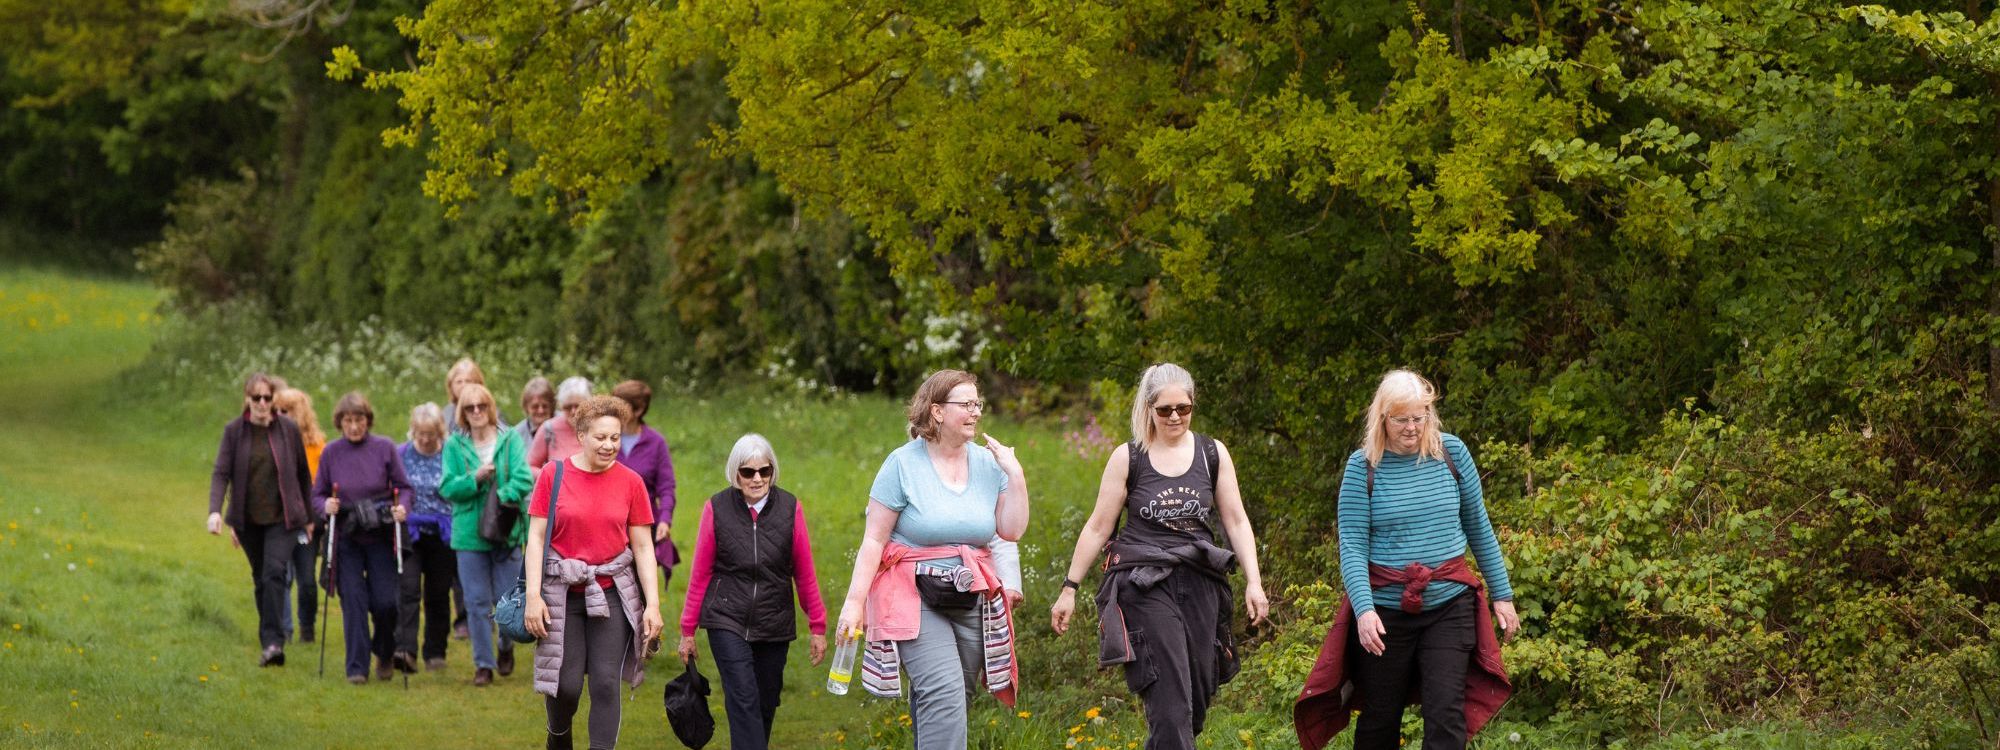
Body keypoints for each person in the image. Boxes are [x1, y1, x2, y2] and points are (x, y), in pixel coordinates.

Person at [1295, 369, 1521, 750]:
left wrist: (1503, 594)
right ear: (1383, 418)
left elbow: (1479, 526)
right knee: (1381, 717)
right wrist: (1364, 612)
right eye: (1402, 419)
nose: (1413, 427)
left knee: (1447, 714)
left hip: (1449, 605)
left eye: (1421, 417)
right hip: (1385, 613)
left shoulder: (1453, 454)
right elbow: (1352, 545)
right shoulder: (1361, 467)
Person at [1048, 363, 1270, 750]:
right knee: (1170, 705)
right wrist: (1070, 587)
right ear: (1149, 408)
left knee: (1195, 702)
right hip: (1144, 583)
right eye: (1165, 409)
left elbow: (1235, 519)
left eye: (1183, 408)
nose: (1174, 417)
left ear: (1192, 406)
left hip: (1201, 583)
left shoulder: (1211, 453)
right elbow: (1099, 527)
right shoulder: (1129, 457)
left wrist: (1254, 581)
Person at [834, 370, 1030, 750]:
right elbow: (874, 539)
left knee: (955, 695)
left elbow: (1011, 530)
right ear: (937, 411)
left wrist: (1016, 474)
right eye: (966, 404)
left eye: (978, 404)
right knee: (943, 694)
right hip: (912, 596)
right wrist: (854, 604)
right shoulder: (902, 464)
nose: (975, 412)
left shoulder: (990, 465)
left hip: (971, 594)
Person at [525, 395, 664, 750]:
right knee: (566, 684)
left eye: (615, 437)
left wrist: (653, 605)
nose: (609, 445)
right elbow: (537, 538)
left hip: (611, 593)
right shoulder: (553, 475)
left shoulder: (631, 483)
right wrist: (533, 596)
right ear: (581, 435)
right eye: (601, 437)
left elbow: (644, 546)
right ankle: (558, 735)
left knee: (605, 684)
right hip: (562, 592)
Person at [676, 434, 828, 750]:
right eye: (748, 472)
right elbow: (700, 574)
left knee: (765, 701)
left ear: (773, 471)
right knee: (742, 697)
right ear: (736, 473)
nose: (757, 479)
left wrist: (818, 626)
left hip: (775, 618)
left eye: (764, 471)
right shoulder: (716, 508)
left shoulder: (790, 507)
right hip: (726, 617)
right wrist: (687, 630)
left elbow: (805, 572)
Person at [207, 373, 314, 667]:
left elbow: (303, 474)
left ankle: (273, 643)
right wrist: (215, 511)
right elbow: (221, 473)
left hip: (283, 518)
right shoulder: (234, 432)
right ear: (247, 400)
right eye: (257, 398)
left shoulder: (287, 430)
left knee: (274, 572)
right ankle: (270, 636)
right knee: (261, 579)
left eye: (268, 398)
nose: (263, 404)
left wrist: (309, 516)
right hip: (249, 519)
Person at [312, 391, 413, 685]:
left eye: (359, 420)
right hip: (346, 536)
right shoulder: (331, 452)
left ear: (368, 421)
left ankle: (384, 651)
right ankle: (356, 667)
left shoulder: (384, 448)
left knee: (385, 602)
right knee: (353, 599)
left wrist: (401, 508)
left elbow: (404, 487)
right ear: (339, 422)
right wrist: (325, 506)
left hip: (380, 534)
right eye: (348, 420)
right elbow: (317, 494)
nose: (354, 426)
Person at [440, 383, 536, 685]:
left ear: (490, 407)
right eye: (470, 408)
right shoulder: (454, 445)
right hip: (469, 534)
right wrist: (475, 479)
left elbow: (524, 478)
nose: (477, 412)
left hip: (506, 530)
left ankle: (505, 646)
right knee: (477, 601)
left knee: (507, 600)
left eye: (482, 405)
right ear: (462, 413)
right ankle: (483, 664)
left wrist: (501, 494)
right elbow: (447, 488)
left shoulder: (509, 440)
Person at [396, 403, 458, 672]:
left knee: (437, 592)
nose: (424, 439)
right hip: (411, 532)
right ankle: (405, 649)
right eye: (420, 433)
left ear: (439, 432)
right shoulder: (401, 453)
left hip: (443, 534)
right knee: (408, 590)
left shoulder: (450, 454)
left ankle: (435, 651)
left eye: (430, 434)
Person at [611, 380, 679, 585]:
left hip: (643, 524)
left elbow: (666, 486)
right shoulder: (607, 439)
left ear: (638, 410)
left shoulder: (656, 442)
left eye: (620, 406)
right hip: (610, 523)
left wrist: (665, 520)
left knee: (640, 588)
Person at [274, 387, 326, 643]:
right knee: (280, 575)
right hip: (280, 522)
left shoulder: (317, 447)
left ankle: (308, 626)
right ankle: (284, 628)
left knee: (306, 580)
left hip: (308, 523)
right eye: (279, 410)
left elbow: (320, 487)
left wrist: (313, 521)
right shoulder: (271, 441)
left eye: (287, 410)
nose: (282, 415)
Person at [527, 376, 592, 469]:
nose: (573, 411)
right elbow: (530, 466)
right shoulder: (549, 428)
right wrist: (551, 478)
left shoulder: (597, 427)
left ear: (587, 405)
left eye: (577, 406)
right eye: (568, 407)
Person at [443, 358, 506, 435]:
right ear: (451, 386)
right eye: (459, 382)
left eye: (468, 381)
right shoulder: (446, 413)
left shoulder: (491, 411)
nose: (463, 386)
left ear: (478, 384)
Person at [514, 377, 557, 445]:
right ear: (526, 407)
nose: (540, 411)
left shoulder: (565, 424)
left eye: (545, 406)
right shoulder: (516, 435)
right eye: (535, 406)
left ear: (552, 406)